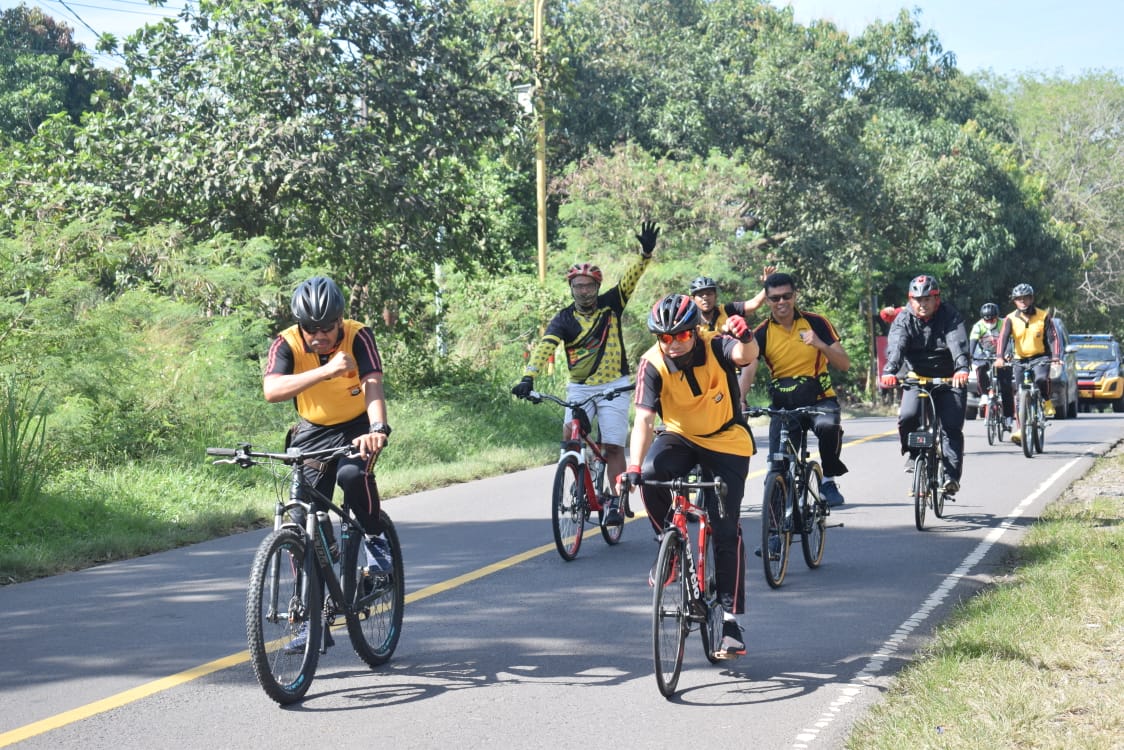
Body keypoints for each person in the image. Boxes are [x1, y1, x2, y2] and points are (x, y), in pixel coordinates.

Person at [622, 293, 757, 659]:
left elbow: (746, 357)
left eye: (680, 335)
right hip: (679, 436)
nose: (673, 344)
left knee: (725, 529)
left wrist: (745, 336)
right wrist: (633, 467)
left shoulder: (716, 344)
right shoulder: (651, 363)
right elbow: (645, 420)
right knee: (651, 473)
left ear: (694, 331)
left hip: (726, 440)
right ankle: (670, 548)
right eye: (665, 338)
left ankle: (729, 621)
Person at [263, 276, 393, 651]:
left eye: (327, 327)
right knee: (302, 520)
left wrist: (377, 428)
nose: (319, 335)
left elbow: (372, 384)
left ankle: (375, 539)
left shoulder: (358, 335)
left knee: (354, 475)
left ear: (340, 320)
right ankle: (309, 619)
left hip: (356, 426)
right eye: (311, 329)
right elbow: (272, 390)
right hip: (312, 430)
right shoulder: (286, 342)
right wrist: (327, 370)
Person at [512, 221, 660, 525]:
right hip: (579, 388)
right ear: (571, 288)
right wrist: (529, 377)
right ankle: (583, 465)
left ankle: (616, 501)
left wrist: (645, 254)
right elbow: (545, 347)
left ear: (597, 286)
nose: (584, 291)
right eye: (578, 286)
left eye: (589, 285)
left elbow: (630, 280)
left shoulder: (611, 305)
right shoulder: (563, 318)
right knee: (571, 436)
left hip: (614, 386)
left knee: (614, 446)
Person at [747, 272, 851, 507]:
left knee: (829, 426)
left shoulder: (816, 322)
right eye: (775, 298)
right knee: (777, 466)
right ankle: (774, 535)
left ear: (795, 296)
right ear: (768, 301)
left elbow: (844, 364)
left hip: (819, 399)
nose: (781, 302)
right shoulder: (761, 333)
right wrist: (740, 399)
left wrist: (820, 344)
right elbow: (748, 368)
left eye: (786, 296)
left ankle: (828, 480)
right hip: (783, 404)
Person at [879, 274, 970, 495]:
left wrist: (961, 368)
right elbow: (897, 345)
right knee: (908, 416)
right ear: (910, 300)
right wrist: (890, 370)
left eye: (927, 299)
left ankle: (950, 477)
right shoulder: (904, 319)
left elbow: (956, 342)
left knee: (951, 427)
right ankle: (913, 454)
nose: (922, 304)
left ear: (936, 299)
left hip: (949, 378)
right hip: (916, 376)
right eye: (917, 300)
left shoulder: (949, 316)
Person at [689, 266, 773, 402]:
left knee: (739, 406)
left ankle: (741, 403)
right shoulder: (689, 321)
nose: (705, 298)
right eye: (700, 295)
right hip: (705, 372)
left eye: (709, 294)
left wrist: (767, 284)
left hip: (732, 371)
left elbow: (755, 303)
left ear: (715, 296)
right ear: (693, 299)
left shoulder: (728, 310)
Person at [995, 283, 1061, 442]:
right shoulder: (1010, 318)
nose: (1022, 301)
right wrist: (999, 357)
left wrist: (1056, 357)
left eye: (1025, 298)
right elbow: (1002, 338)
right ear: (1014, 301)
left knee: (1039, 379)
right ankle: (1020, 429)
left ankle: (1046, 400)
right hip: (1019, 359)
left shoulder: (1043, 316)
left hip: (1040, 357)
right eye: (1019, 299)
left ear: (1031, 299)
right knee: (1019, 395)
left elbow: (1053, 338)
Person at [970, 302, 1014, 430]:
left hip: (1002, 354)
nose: (990, 321)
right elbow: (972, 342)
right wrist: (970, 355)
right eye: (987, 319)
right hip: (985, 354)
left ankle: (1008, 417)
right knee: (980, 367)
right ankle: (984, 394)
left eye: (992, 319)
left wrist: (1008, 354)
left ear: (997, 317)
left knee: (1006, 387)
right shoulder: (978, 326)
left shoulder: (1003, 323)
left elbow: (1009, 341)